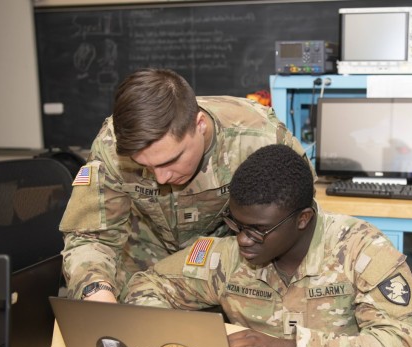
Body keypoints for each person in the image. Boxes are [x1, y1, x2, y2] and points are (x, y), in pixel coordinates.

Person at [125, 144, 412, 347]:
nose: (242, 239)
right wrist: (189, 342)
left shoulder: (361, 250)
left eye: (258, 230)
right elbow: (147, 284)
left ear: (303, 219)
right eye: (236, 224)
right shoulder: (228, 256)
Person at [59, 68, 313, 303]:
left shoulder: (258, 137)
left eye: (171, 160)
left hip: (229, 271)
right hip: (142, 274)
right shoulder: (111, 147)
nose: (160, 179)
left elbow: (297, 225)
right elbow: (89, 236)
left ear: (199, 125)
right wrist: (96, 290)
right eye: (145, 166)